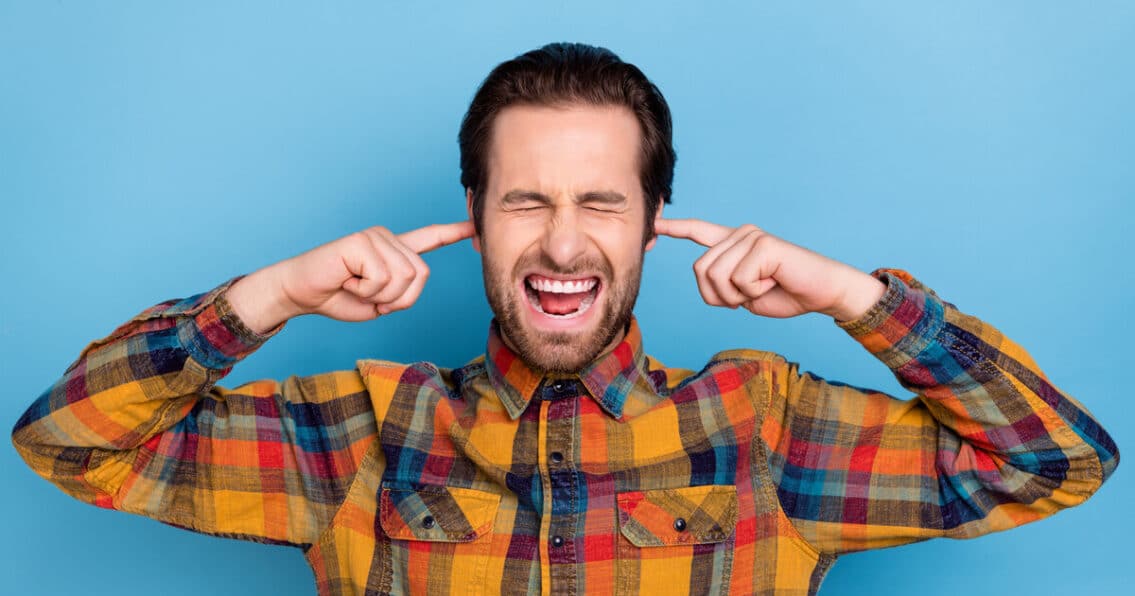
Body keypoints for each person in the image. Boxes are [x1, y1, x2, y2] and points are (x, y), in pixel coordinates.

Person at [12, 42, 1118, 596]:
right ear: (476, 218)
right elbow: (68, 439)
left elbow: (1055, 461)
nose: (559, 242)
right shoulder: (359, 430)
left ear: (649, 225)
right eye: (525, 200)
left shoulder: (765, 427)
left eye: (601, 202)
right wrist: (272, 295)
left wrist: (852, 298)